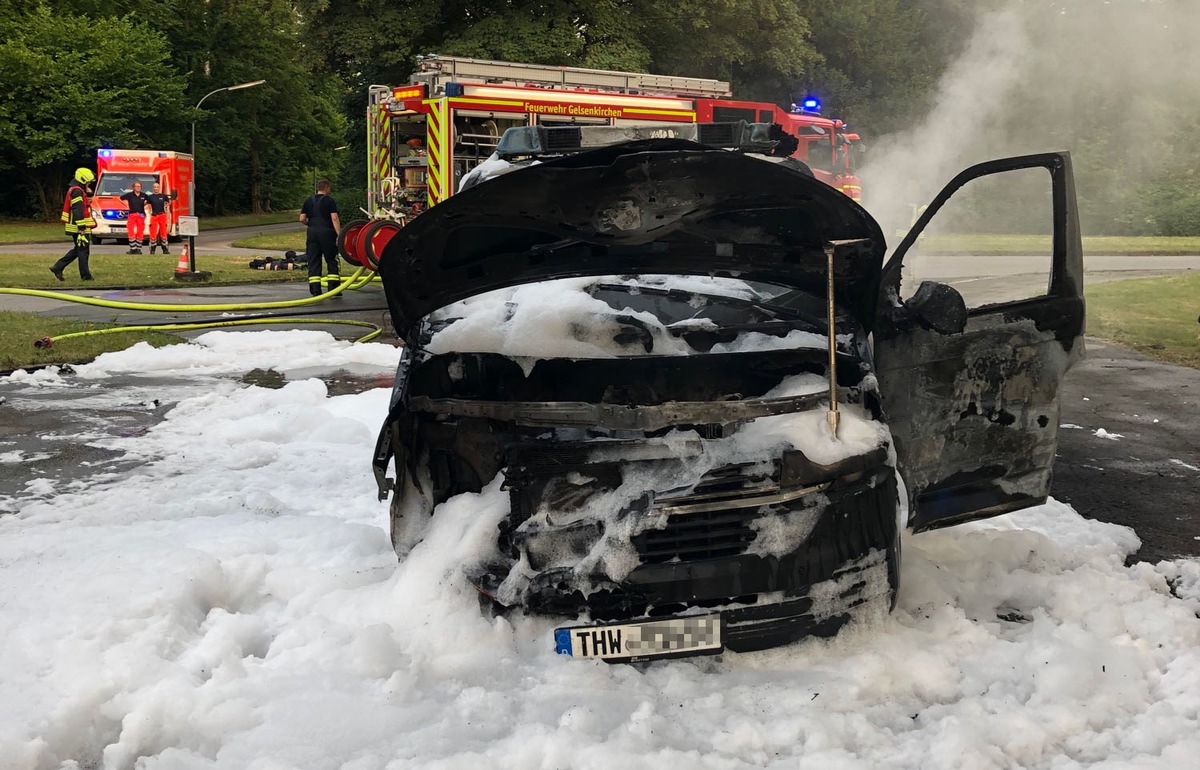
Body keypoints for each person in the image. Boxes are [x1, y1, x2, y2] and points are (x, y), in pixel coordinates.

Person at [49, 168, 97, 281]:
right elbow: (77, 210)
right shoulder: (77, 191)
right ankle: (86, 276)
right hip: (79, 226)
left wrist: (89, 193)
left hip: (77, 225)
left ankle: (58, 267)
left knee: (79, 249)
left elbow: (86, 204)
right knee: (83, 251)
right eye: (88, 182)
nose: (89, 184)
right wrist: (81, 227)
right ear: (83, 180)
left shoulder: (78, 190)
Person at [299, 179, 341, 296]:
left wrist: (311, 225)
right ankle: (334, 289)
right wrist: (339, 234)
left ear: (318, 188)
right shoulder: (330, 201)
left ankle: (315, 290)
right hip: (327, 233)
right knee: (331, 259)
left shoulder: (308, 201)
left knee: (313, 261)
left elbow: (302, 218)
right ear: (327, 188)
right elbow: (334, 218)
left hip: (312, 233)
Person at [120, 181, 150, 254]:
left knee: (140, 232)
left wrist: (145, 204)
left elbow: (149, 201)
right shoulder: (129, 195)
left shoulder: (144, 195)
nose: (138, 188)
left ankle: (138, 249)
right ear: (133, 187)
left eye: (139, 186)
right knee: (130, 231)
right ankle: (133, 248)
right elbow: (121, 198)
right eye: (137, 186)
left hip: (141, 215)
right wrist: (126, 205)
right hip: (132, 214)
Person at [146, 182, 172, 254]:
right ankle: (152, 249)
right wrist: (149, 213)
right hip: (154, 216)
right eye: (155, 187)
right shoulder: (150, 197)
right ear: (153, 188)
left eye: (157, 187)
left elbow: (169, 202)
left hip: (162, 215)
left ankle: (165, 249)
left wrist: (167, 208)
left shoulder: (163, 196)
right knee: (153, 233)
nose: (156, 188)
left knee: (163, 232)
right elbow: (148, 205)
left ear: (159, 188)